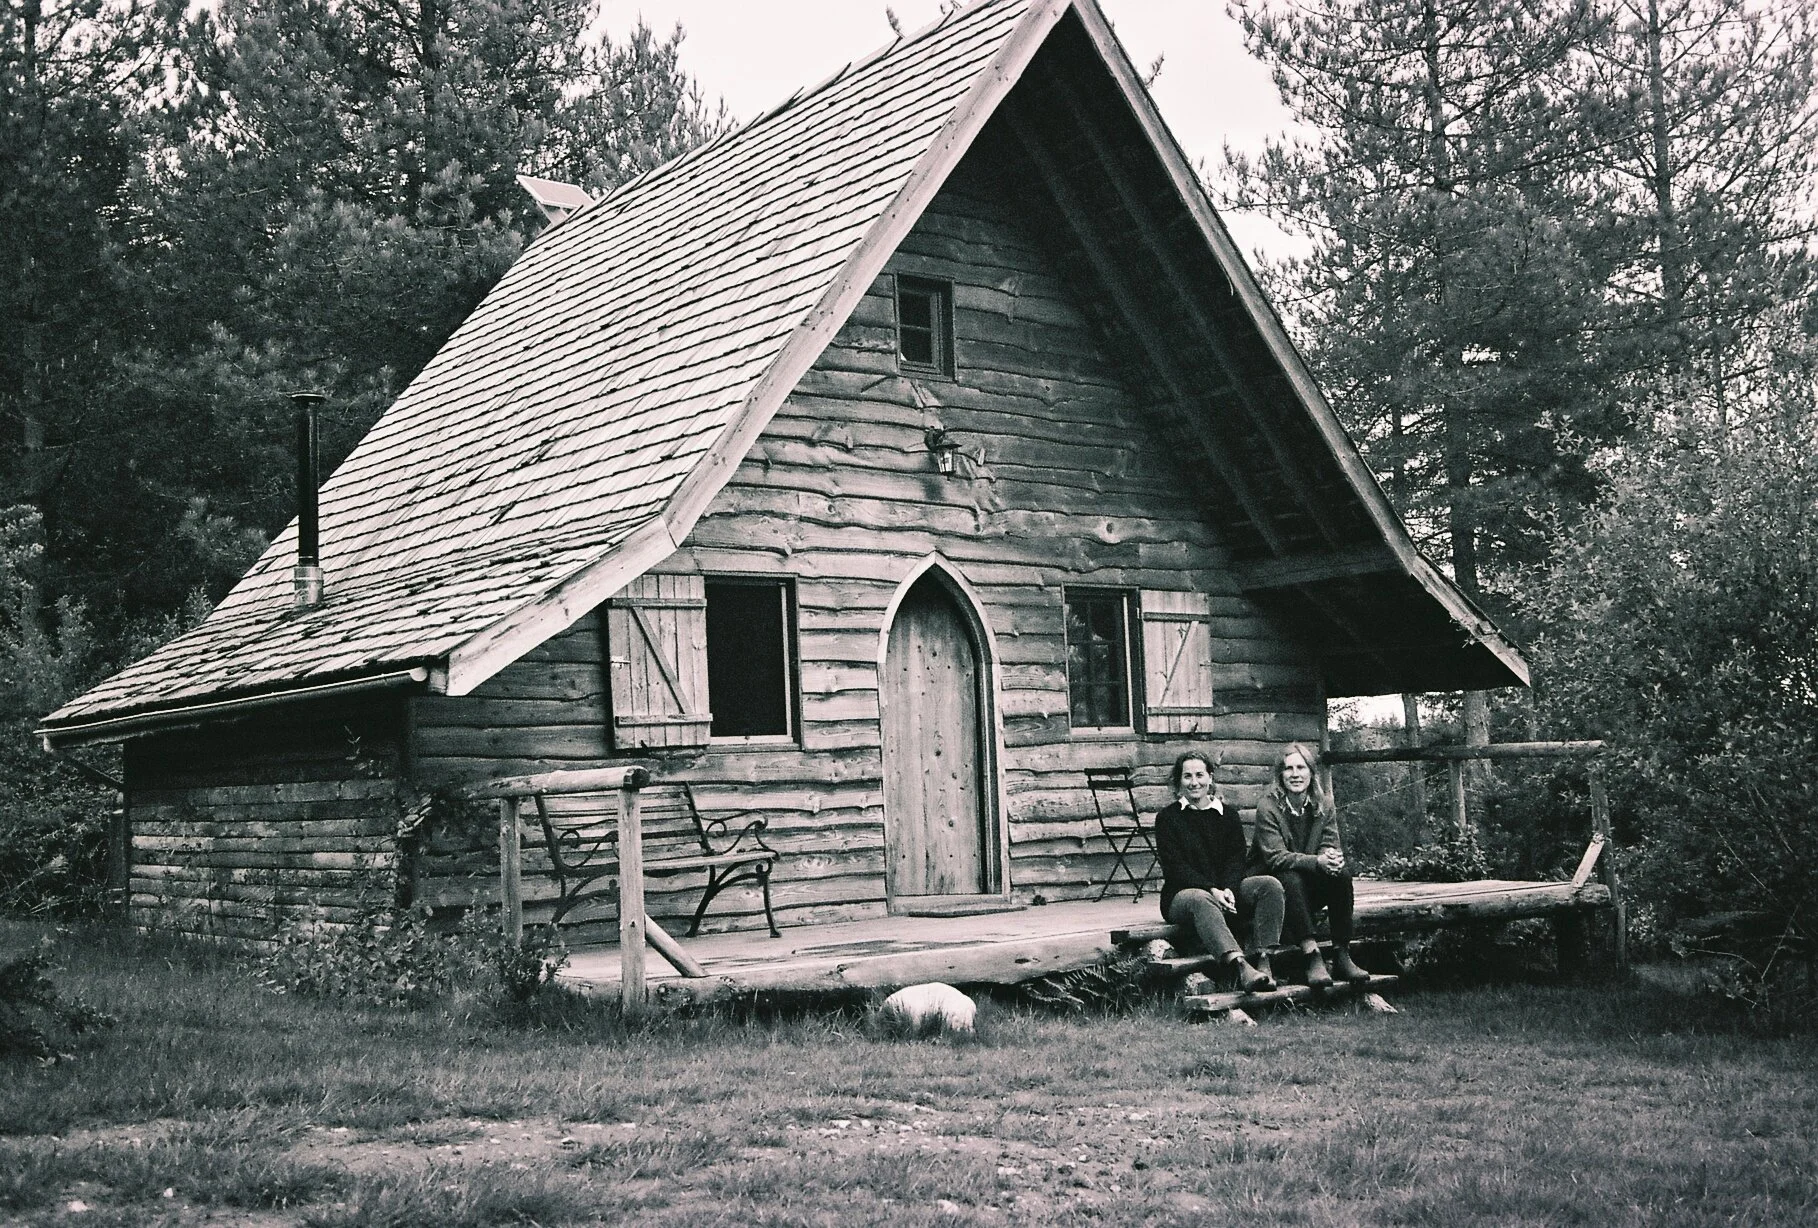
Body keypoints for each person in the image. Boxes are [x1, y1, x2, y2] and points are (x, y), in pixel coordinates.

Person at [1154, 751, 1284, 993]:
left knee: (1269, 885)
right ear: (1178, 781)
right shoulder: (1167, 818)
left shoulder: (1228, 815)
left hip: (1225, 891)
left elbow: (1236, 860)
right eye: (1187, 776)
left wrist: (1228, 889)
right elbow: (1176, 868)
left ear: (1210, 777)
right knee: (1202, 899)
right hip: (1183, 896)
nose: (1194, 782)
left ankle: (1265, 961)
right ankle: (1241, 965)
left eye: (1200, 775)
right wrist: (1212, 889)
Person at [1250, 742, 1370, 989]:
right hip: (1274, 883)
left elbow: (1329, 841)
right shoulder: (1268, 806)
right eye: (1288, 769)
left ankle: (1341, 953)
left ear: (1311, 772)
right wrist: (1318, 861)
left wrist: (1331, 858)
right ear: (1280, 775)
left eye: (1301, 768)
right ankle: (1312, 953)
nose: (1295, 774)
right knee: (1290, 877)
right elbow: (1276, 857)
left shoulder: (1324, 803)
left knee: (1342, 876)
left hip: (1308, 879)